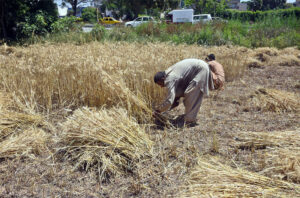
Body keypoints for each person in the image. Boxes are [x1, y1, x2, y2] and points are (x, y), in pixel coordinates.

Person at [153, 58, 213, 127]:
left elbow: (169, 100)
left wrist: (158, 110)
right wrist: (175, 101)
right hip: (198, 68)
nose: (161, 86)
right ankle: (189, 117)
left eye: (160, 84)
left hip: (201, 69)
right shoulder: (169, 73)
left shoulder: (170, 78)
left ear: (163, 79)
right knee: (188, 93)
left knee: (191, 94)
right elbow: (177, 92)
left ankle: (190, 121)